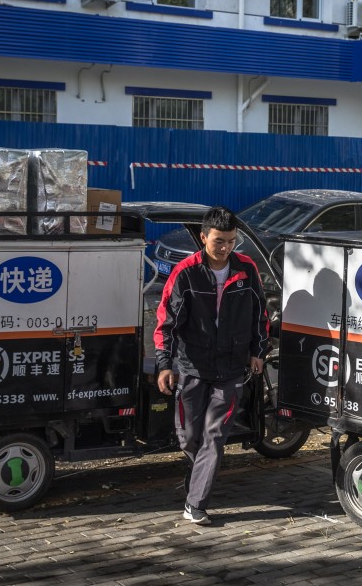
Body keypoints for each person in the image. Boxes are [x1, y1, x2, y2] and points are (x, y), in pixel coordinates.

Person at [154, 206, 269, 525]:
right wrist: (165, 365)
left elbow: (261, 314)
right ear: (204, 237)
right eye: (219, 241)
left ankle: (196, 503)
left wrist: (258, 350)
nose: (226, 248)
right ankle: (199, 475)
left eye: (232, 241)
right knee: (190, 438)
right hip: (191, 368)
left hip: (231, 370)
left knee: (214, 435)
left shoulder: (246, 269)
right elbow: (166, 323)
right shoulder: (186, 273)